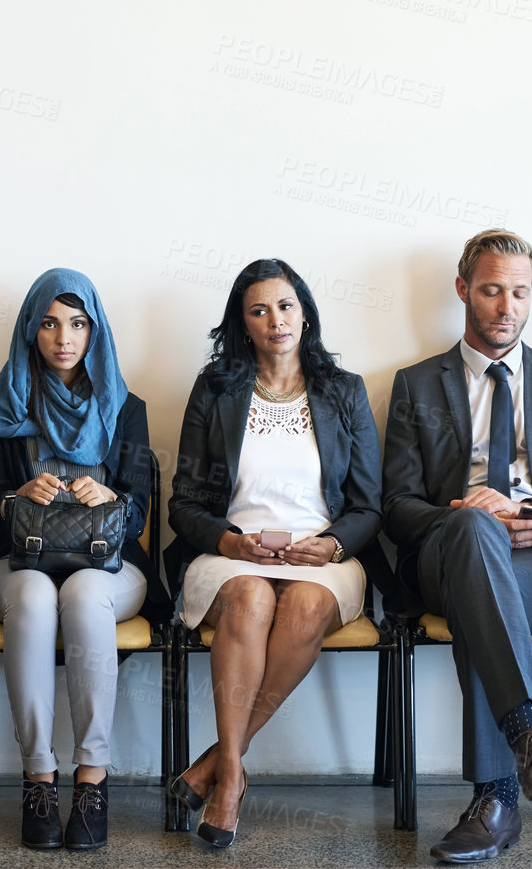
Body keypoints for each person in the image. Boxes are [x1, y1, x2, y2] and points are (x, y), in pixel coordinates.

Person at [382, 229, 532, 865]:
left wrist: (523, 509)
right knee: (471, 535)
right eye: (491, 290)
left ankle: (497, 797)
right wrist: (469, 517)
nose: (505, 307)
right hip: (447, 550)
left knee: (481, 594)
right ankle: (528, 739)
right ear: (463, 291)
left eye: (519, 292)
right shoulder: (416, 384)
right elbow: (398, 507)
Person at [167, 258, 382, 848]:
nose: (275, 320)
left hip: (323, 557)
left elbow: (369, 506)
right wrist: (231, 541)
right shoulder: (214, 390)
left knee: (306, 606)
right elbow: (182, 504)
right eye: (258, 310)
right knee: (249, 598)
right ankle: (233, 775)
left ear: (305, 314)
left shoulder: (344, 392)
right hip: (232, 552)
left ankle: (216, 763)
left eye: (285, 306)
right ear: (243, 323)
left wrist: (333, 543)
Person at [0, 269, 157, 852]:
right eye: (48, 323)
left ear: (95, 331)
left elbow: (140, 512)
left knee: (84, 593)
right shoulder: (2, 406)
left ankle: (92, 780)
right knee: (38, 594)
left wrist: (113, 498)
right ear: (30, 330)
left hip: (111, 568)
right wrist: (20, 497)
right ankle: (38, 779)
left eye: (77, 323)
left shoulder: (127, 407)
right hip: (20, 564)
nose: (63, 337)